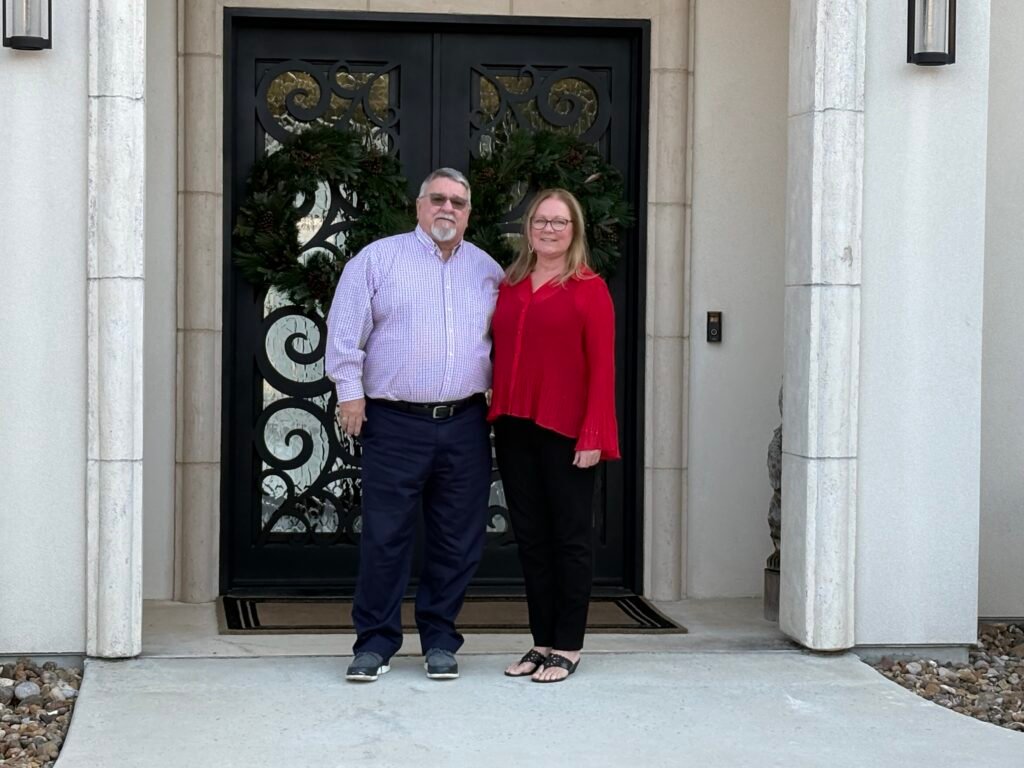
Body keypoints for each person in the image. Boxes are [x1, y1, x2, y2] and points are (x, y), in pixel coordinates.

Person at [325, 168, 504, 683]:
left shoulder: (486, 271)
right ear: (419, 206)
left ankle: (441, 639)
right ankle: (375, 643)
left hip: (466, 421)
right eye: (438, 199)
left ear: (469, 213)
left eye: (458, 202)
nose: (447, 209)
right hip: (395, 423)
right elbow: (344, 334)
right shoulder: (378, 260)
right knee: (385, 537)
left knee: (457, 539)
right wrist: (350, 396)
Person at [488, 188, 620, 683]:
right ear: (528, 228)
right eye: (541, 220)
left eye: (559, 222)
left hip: (567, 430)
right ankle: (541, 642)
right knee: (531, 540)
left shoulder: (589, 288)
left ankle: (569, 645)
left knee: (569, 539)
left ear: (574, 231)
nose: (548, 228)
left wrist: (595, 434)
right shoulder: (511, 284)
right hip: (514, 425)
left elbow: (602, 370)